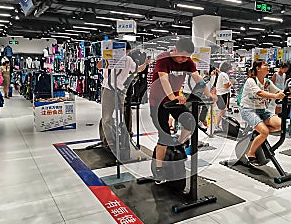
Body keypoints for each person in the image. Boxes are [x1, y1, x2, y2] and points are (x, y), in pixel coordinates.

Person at [149, 38, 217, 183]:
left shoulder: (187, 62)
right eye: (182, 56)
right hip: (158, 102)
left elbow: (199, 79)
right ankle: (159, 170)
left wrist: (209, 94)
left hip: (173, 101)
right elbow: (164, 80)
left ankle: (179, 143)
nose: (184, 60)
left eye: (187, 57)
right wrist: (173, 96)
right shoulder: (163, 58)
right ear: (175, 49)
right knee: (164, 136)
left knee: (190, 122)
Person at [239, 60, 291, 166]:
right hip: (248, 110)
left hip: (262, 110)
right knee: (265, 132)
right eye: (265, 65)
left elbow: (278, 91)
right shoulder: (251, 81)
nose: (268, 67)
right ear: (258, 68)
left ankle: (259, 132)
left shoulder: (267, 81)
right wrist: (275, 96)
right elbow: (260, 93)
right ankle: (251, 153)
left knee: (281, 125)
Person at [96, 41, 147, 152]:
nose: (126, 54)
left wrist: (146, 64)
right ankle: (110, 141)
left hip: (121, 90)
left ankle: (127, 135)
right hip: (108, 89)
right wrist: (108, 58)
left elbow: (137, 69)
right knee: (106, 118)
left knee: (125, 114)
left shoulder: (128, 60)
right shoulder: (110, 57)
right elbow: (99, 66)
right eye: (125, 52)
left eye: (127, 52)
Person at [214, 61, 232, 132]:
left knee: (222, 111)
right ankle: (216, 126)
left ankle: (218, 125)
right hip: (223, 94)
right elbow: (226, 85)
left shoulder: (221, 74)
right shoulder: (224, 74)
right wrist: (231, 82)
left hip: (220, 94)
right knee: (222, 111)